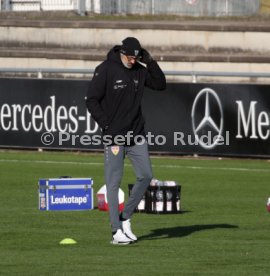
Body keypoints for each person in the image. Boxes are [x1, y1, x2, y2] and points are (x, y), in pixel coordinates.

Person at [86, 37, 166, 245]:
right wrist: (106, 125)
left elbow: (160, 85)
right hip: (114, 136)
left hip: (136, 133)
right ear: (122, 53)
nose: (132, 61)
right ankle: (116, 231)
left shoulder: (139, 69)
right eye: (130, 57)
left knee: (146, 176)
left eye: (136, 58)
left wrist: (151, 62)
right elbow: (91, 100)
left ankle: (125, 217)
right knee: (113, 183)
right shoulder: (105, 69)